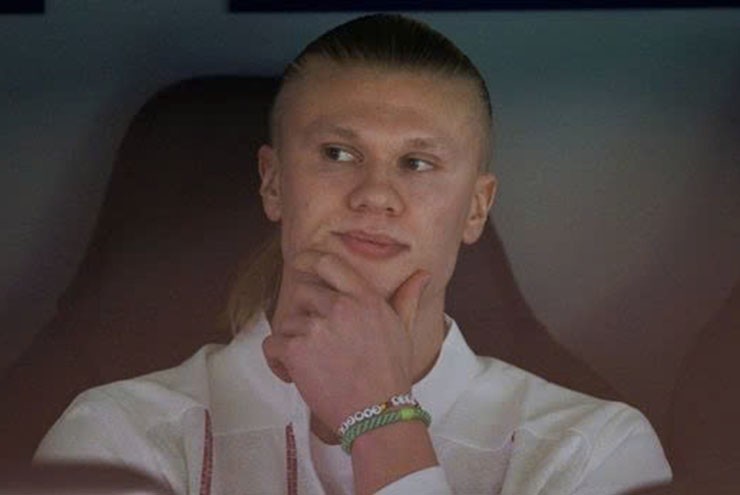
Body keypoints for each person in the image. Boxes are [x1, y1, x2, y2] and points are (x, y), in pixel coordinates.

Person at [34, 14, 672, 495]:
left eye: (417, 162)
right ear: (274, 183)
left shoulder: (592, 450)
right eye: (338, 153)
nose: (375, 195)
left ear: (476, 208)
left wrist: (383, 425)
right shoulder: (119, 436)